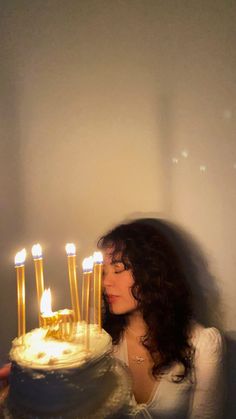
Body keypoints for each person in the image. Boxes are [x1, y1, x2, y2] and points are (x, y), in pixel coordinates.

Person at [98, 218, 224, 419]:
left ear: (151, 272)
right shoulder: (99, 339)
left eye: (118, 269)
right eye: (103, 272)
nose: (106, 283)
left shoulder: (203, 344)